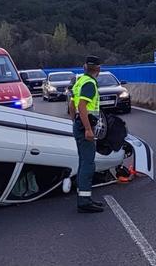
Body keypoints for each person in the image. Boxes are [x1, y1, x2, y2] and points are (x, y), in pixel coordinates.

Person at [70, 55, 105, 213]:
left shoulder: (80, 81)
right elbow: (82, 105)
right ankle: (84, 201)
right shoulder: (90, 83)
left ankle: (84, 196)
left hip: (79, 125)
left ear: (85, 67)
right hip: (85, 127)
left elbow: (72, 104)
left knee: (83, 162)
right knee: (88, 164)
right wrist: (88, 129)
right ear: (98, 68)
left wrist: (74, 121)